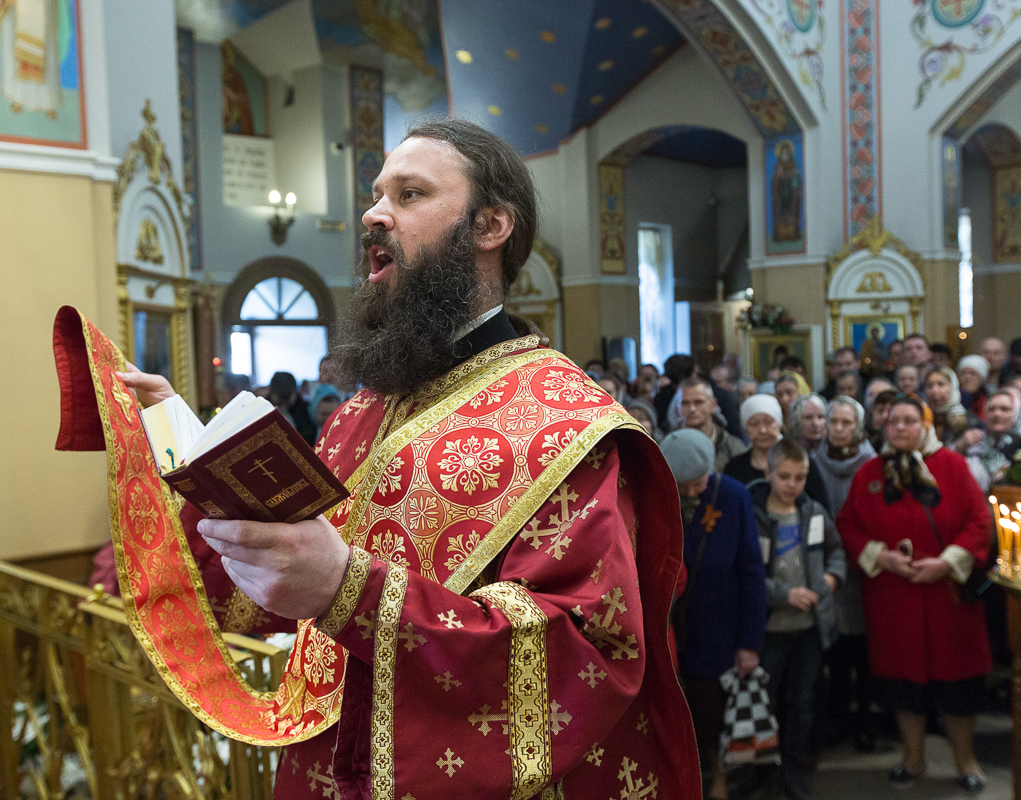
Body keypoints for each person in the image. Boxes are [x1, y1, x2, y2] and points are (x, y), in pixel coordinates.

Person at [120, 118, 699, 798]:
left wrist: (352, 594)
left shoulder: (567, 425)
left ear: (490, 227)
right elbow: (269, 589)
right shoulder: (364, 410)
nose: (373, 213)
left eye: (410, 193)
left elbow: (585, 657)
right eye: (375, 192)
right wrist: (178, 441)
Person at [836, 395, 993, 795]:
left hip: (948, 597)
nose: (901, 427)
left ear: (926, 425)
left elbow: (979, 522)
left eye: (909, 420)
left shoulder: (954, 467)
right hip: (894, 598)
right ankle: (913, 757)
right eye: (893, 421)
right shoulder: (869, 473)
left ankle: (965, 761)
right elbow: (848, 524)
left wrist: (947, 562)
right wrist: (882, 557)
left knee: (957, 688)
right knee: (904, 687)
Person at [662, 430, 766, 800]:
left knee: (714, 714)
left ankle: (719, 780)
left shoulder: (733, 496)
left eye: (698, 484)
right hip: (671, 630)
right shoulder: (658, 496)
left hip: (719, 628)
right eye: (683, 486)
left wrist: (750, 643)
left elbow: (753, 574)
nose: (692, 493)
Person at [752, 439, 845, 800]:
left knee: (802, 704)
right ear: (768, 472)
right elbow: (745, 571)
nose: (793, 484)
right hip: (769, 628)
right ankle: (763, 774)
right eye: (785, 476)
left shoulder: (814, 512)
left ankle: (793, 771)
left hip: (808, 629)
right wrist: (782, 594)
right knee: (765, 702)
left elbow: (837, 552)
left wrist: (831, 578)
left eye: (801, 477)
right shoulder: (755, 513)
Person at [811, 396, 878, 753]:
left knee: (863, 651)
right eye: (833, 422)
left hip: (864, 567)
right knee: (835, 651)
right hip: (829, 566)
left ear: (858, 427)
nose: (837, 429)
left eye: (846, 423)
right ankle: (838, 718)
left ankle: (866, 719)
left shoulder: (872, 464)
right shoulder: (813, 461)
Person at [728, 394, 832, 513]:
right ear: (745, 428)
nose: (762, 430)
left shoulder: (801, 460)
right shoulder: (734, 467)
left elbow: (822, 509)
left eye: (769, 422)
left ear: (779, 424)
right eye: (754, 424)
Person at [680, 376, 746, 472]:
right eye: (685, 403)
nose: (692, 409)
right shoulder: (669, 448)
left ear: (713, 405)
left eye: (698, 402)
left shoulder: (734, 448)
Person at [923, 367, 970, 448]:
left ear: (953, 387)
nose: (934, 390)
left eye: (941, 384)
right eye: (929, 386)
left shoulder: (969, 421)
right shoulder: (921, 418)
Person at [269, 370, 319, 446]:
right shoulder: (264, 406)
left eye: (287, 401)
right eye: (280, 401)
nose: (283, 405)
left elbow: (309, 435)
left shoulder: (305, 409)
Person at [956, 355, 989, 420]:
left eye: (973, 373)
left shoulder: (989, 401)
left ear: (982, 379)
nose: (967, 378)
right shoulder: (952, 402)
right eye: (963, 373)